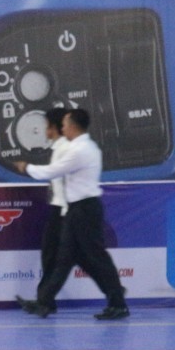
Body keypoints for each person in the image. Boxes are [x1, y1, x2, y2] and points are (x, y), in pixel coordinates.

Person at [14, 108, 130, 321]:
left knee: (96, 258)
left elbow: (53, 171)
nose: (62, 127)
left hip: (85, 209)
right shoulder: (81, 147)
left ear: (74, 126)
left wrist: (27, 167)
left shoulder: (80, 150)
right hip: (76, 209)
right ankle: (45, 301)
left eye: (65, 124)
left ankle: (118, 302)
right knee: (66, 258)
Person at [36, 109, 68, 297]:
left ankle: (44, 299)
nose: (45, 131)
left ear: (55, 127)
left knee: (90, 258)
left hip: (67, 209)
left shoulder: (66, 149)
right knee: (51, 253)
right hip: (60, 208)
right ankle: (44, 299)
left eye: (47, 126)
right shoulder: (58, 148)